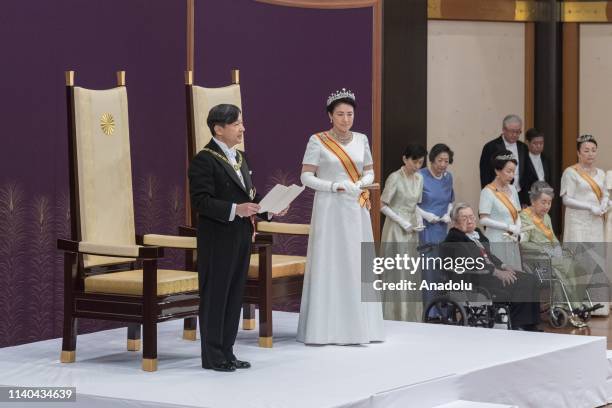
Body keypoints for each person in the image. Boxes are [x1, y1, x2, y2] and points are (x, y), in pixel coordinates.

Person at [189, 104, 286, 371]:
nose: (242, 128)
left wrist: (269, 209)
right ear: (218, 129)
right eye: (236, 124)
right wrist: (235, 210)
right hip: (217, 238)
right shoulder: (204, 160)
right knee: (216, 296)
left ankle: (228, 351)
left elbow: (250, 198)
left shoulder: (241, 158)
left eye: (241, 123)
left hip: (241, 236)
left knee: (234, 295)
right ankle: (212, 356)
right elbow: (200, 202)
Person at [297, 89, 384, 344]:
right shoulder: (317, 141)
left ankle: (363, 328)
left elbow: (369, 170)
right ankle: (326, 328)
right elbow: (306, 176)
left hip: (357, 206)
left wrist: (362, 182)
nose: (346, 119)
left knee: (357, 259)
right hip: (330, 206)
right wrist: (334, 186)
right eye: (340, 114)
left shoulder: (362, 139)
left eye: (350, 114)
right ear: (330, 116)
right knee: (332, 259)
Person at [443, 203, 541, 331]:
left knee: (531, 279)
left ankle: (530, 323)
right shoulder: (454, 239)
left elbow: (489, 256)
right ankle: (519, 324)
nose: (470, 221)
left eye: (471, 217)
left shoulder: (476, 233)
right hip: (475, 279)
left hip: (488, 274)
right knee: (521, 283)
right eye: (464, 218)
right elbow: (470, 263)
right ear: (455, 222)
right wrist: (496, 272)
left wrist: (504, 266)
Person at [520, 181, 599, 328]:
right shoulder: (525, 217)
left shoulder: (547, 218)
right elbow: (523, 244)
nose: (546, 207)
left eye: (549, 203)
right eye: (543, 202)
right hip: (537, 260)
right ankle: (572, 306)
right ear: (533, 200)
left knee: (578, 267)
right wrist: (546, 249)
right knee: (564, 267)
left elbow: (554, 240)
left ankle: (580, 304)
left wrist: (559, 249)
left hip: (553, 256)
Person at [560, 134, 609, 315]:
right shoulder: (571, 172)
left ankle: (596, 307)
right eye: (586, 150)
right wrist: (590, 207)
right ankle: (575, 305)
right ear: (578, 153)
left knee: (595, 260)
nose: (590, 154)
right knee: (578, 260)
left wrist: (604, 203)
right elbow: (566, 199)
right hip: (578, 222)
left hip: (595, 222)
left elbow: (605, 194)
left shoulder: (601, 173)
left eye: (593, 150)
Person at [379, 144, 427, 322]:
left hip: (411, 229)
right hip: (395, 228)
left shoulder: (419, 179)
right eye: (414, 161)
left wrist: (419, 221)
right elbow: (382, 205)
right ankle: (392, 316)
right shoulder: (394, 177)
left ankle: (410, 317)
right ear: (404, 159)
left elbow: (416, 206)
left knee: (410, 272)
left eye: (420, 162)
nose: (417, 166)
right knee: (396, 272)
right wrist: (401, 221)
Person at [479, 151, 522, 270]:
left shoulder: (513, 189)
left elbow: (517, 213)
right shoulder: (487, 192)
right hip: (496, 239)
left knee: (515, 275)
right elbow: (483, 220)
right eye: (508, 171)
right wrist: (508, 227)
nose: (511, 175)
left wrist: (518, 228)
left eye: (513, 171)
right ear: (497, 171)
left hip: (512, 240)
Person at [479, 114, 528, 197]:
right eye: (512, 131)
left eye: (518, 132)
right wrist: (488, 194)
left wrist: (526, 198)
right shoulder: (490, 147)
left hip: (519, 194)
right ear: (504, 130)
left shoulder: (523, 147)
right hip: (498, 194)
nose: (515, 134)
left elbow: (526, 173)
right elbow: (485, 174)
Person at [417, 143, 455, 245]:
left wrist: (448, 213)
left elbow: (450, 201)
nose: (443, 164)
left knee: (439, 257)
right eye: (440, 160)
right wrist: (426, 215)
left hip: (441, 227)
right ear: (432, 159)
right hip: (423, 226)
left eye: (446, 161)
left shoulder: (448, 177)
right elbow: (410, 203)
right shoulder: (419, 176)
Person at [519, 128, 550, 206]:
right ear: (527, 143)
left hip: (544, 199)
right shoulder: (522, 159)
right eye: (535, 143)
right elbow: (521, 183)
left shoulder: (546, 159)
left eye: (541, 143)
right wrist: (523, 201)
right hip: (528, 201)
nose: (539, 146)